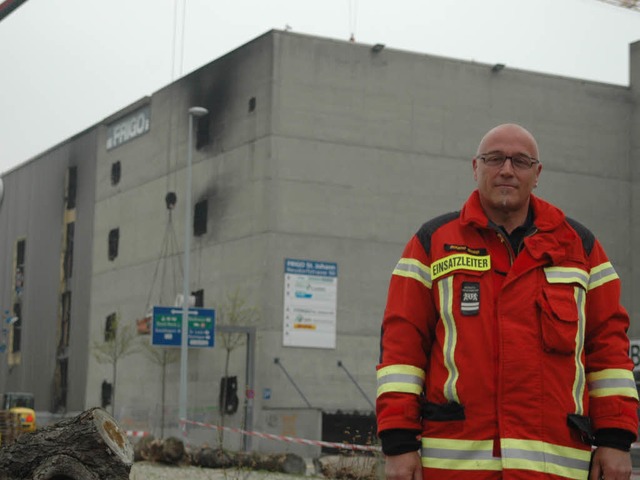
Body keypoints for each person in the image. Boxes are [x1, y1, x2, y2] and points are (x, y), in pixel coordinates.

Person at [376, 123, 639, 480]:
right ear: (475, 167)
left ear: (537, 173)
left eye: (520, 161)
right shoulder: (431, 244)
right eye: (494, 159)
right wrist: (398, 444)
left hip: (554, 468)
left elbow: (608, 351)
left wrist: (616, 440)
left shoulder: (581, 248)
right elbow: (400, 351)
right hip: (456, 467)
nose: (506, 170)